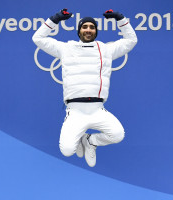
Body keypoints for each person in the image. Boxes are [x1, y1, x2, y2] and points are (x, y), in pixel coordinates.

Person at [32, 8, 137, 167]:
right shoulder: (66, 49)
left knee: (117, 135)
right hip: (75, 111)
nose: (88, 30)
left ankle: (90, 140)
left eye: (92, 27)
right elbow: (38, 38)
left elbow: (131, 40)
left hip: (97, 110)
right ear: (79, 31)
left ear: (96, 31)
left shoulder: (106, 50)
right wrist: (55, 19)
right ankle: (82, 138)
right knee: (67, 150)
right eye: (85, 27)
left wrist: (119, 18)